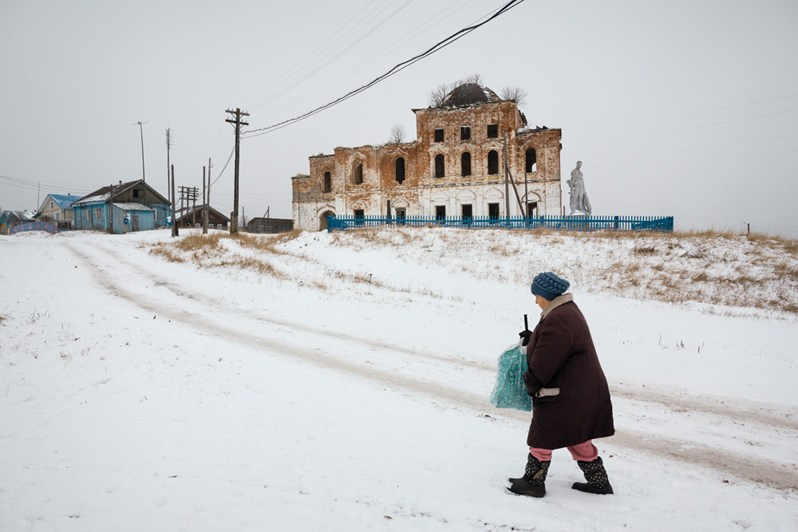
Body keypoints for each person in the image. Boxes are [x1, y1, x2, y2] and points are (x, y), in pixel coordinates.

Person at [508, 271, 615, 498]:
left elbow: (547, 358)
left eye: (536, 295)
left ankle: (533, 483)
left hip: (564, 392)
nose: (535, 300)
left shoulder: (559, 318)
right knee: (576, 435)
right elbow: (551, 343)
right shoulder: (565, 311)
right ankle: (599, 482)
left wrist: (531, 381)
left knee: (543, 434)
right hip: (577, 389)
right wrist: (533, 338)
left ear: (546, 295)